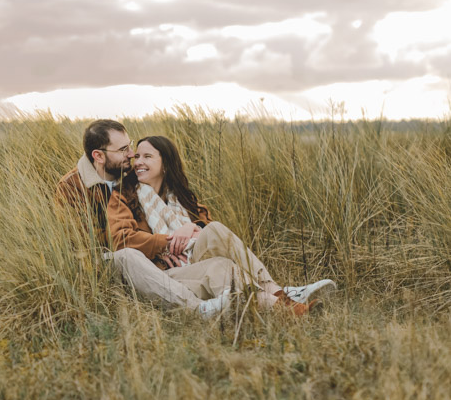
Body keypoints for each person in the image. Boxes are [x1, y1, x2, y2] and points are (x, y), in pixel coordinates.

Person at [108, 135, 336, 314]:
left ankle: (283, 301)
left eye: (147, 157)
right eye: (137, 156)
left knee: (215, 230)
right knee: (222, 267)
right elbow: (121, 238)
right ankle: (285, 302)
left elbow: (207, 228)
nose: (138, 162)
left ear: (165, 164)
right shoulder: (124, 196)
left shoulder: (180, 197)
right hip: (166, 271)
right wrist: (166, 243)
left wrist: (191, 228)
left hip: (192, 260)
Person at [56, 120, 232, 317]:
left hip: (161, 260)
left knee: (217, 242)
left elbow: (188, 207)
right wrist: (157, 245)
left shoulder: (133, 174)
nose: (132, 155)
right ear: (98, 156)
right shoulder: (72, 187)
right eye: (123, 149)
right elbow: (80, 242)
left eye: (130, 145)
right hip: (111, 263)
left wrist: (190, 227)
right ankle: (198, 309)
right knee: (128, 256)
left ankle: (259, 296)